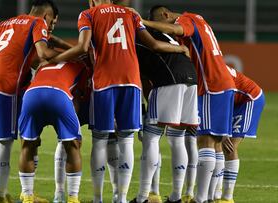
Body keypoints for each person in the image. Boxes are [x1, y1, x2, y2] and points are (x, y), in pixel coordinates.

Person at [39, 1, 189, 202]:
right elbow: (152, 45)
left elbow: (84, 47)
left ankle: (98, 198)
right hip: (131, 81)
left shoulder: (88, 14)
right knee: (126, 141)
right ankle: (121, 198)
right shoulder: (130, 14)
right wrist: (179, 48)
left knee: (100, 141)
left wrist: (56, 59)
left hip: (104, 81)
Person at [137, 6, 238, 203]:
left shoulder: (187, 20)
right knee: (213, 144)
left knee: (205, 142)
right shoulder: (199, 20)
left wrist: (143, 23)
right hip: (218, 83)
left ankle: (198, 199)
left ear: (166, 16)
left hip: (211, 84)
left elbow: (175, 30)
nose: (161, 31)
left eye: (161, 25)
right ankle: (210, 196)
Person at [0, 0, 59, 202]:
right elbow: (43, 54)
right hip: (5, 84)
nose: (51, 24)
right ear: (47, 15)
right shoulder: (38, 23)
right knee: (5, 142)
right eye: (52, 20)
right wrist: (69, 55)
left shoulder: (5, 23)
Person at [131, 9, 198, 202]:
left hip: (169, 79)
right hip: (191, 79)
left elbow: (144, 75)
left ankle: (143, 197)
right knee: (177, 138)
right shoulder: (164, 33)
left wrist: (146, 105)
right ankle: (177, 196)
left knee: (151, 138)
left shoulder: (135, 35)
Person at [18, 60, 91, 203]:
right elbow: (75, 97)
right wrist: (69, 130)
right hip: (59, 94)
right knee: (73, 145)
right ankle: (72, 199)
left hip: (31, 94)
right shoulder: (82, 66)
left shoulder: (44, 63)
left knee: (27, 145)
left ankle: (27, 197)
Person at [210, 67, 265, 203]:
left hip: (249, 98)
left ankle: (227, 198)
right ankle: (216, 195)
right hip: (232, 101)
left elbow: (225, 98)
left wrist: (224, 131)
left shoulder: (216, 74)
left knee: (229, 146)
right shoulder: (210, 66)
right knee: (215, 142)